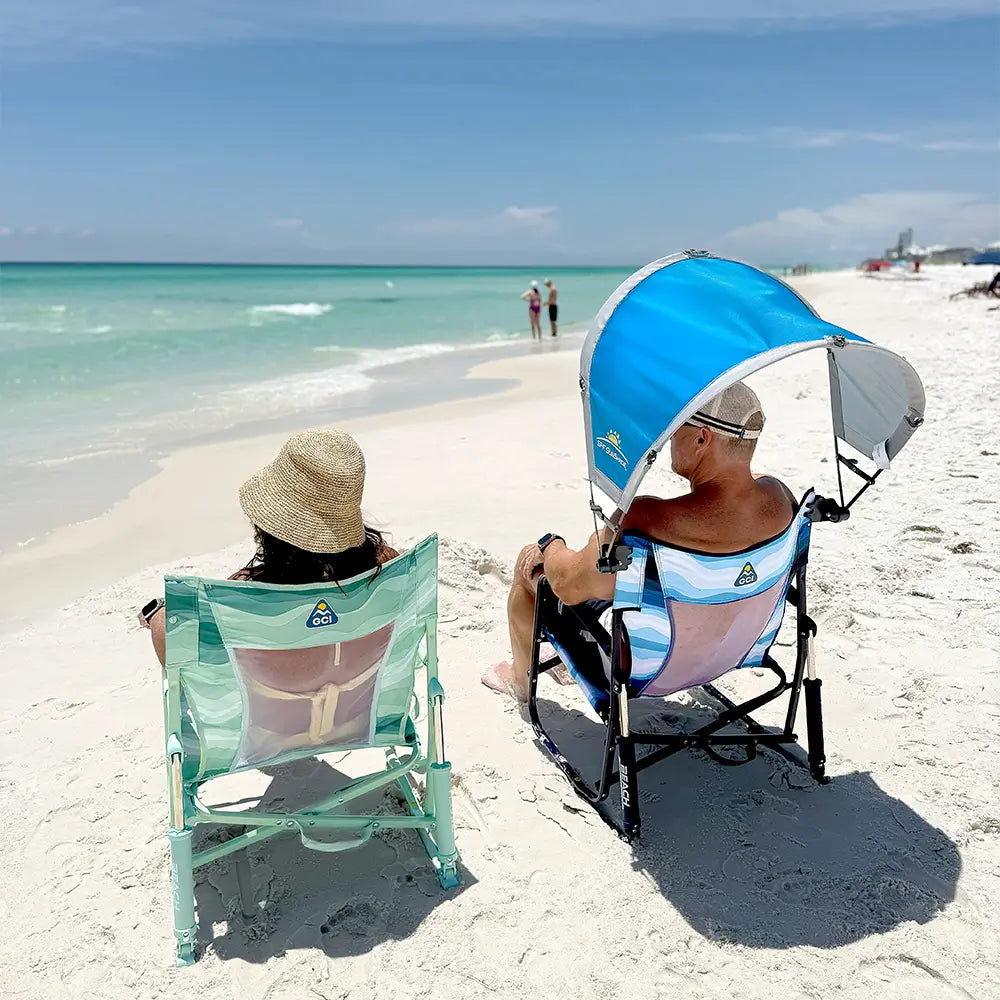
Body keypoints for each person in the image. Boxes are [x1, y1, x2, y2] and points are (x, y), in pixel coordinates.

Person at [481, 382, 795, 702]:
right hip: (733, 651)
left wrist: (551, 545)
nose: (670, 436)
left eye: (676, 425)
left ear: (702, 438)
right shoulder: (780, 499)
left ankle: (519, 681)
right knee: (630, 579)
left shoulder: (650, 520)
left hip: (649, 672)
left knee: (533, 567)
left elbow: (568, 584)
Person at [140, 429, 398, 667]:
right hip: (365, 712)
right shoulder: (388, 575)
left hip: (272, 716)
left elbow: (180, 650)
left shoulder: (245, 597)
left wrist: (157, 615)